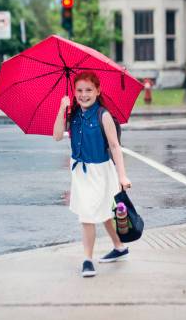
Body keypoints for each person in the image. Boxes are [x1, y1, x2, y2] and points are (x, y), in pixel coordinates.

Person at [53, 71, 132, 277]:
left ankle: (87, 259)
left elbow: (115, 147)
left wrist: (122, 176)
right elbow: (57, 136)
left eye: (88, 90)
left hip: (101, 171)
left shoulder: (103, 115)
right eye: (79, 90)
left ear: (98, 91)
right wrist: (62, 108)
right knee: (101, 211)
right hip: (80, 171)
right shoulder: (74, 114)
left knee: (88, 214)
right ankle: (119, 246)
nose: (84, 94)